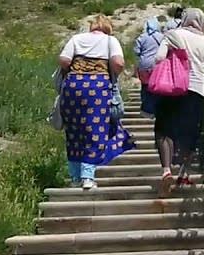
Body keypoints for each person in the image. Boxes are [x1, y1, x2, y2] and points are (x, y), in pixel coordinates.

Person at [57, 15, 134, 190]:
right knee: (95, 130)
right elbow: (118, 62)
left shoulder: (76, 39)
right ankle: (87, 177)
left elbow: (64, 60)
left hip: (72, 86)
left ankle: (75, 177)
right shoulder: (110, 41)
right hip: (97, 87)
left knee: (74, 130)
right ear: (107, 28)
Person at [154, 8, 204, 195]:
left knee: (164, 130)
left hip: (172, 88)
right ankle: (184, 173)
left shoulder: (172, 35)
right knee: (189, 135)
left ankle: (166, 170)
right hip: (195, 93)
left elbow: (158, 58)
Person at [133, 17, 167, 117]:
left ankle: (146, 110)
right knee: (157, 87)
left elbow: (137, 52)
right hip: (157, 65)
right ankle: (157, 109)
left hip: (144, 65)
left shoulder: (141, 37)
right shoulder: (162, 37)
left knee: (145, 87)